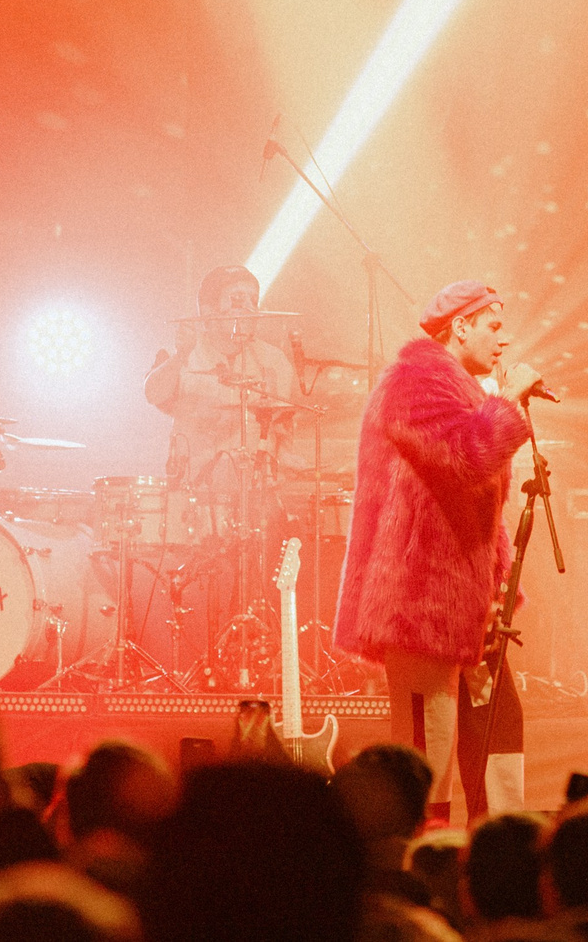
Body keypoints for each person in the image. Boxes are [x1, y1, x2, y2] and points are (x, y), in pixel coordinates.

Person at [332, 281, 543, 825]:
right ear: (461, 327)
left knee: (496, 723)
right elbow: (466, 457)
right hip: (419, 591)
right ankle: (426, 851)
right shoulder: (416, 379)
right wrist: (509, 401)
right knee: (430, 734)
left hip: (462, 597)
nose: (506, 339)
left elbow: (474, 500)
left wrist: (498, 587)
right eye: (494, 326)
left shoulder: (461, 387)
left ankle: (498, 842)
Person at [143, 266, 287, 495]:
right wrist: (181, 355)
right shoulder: (183, 353)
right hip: (195, 493)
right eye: (238, 300)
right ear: (209, 311)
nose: (250, 309)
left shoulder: (273, 360)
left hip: (255, 495)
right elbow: (153, 394)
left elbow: (286, 423)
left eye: (254, 300)